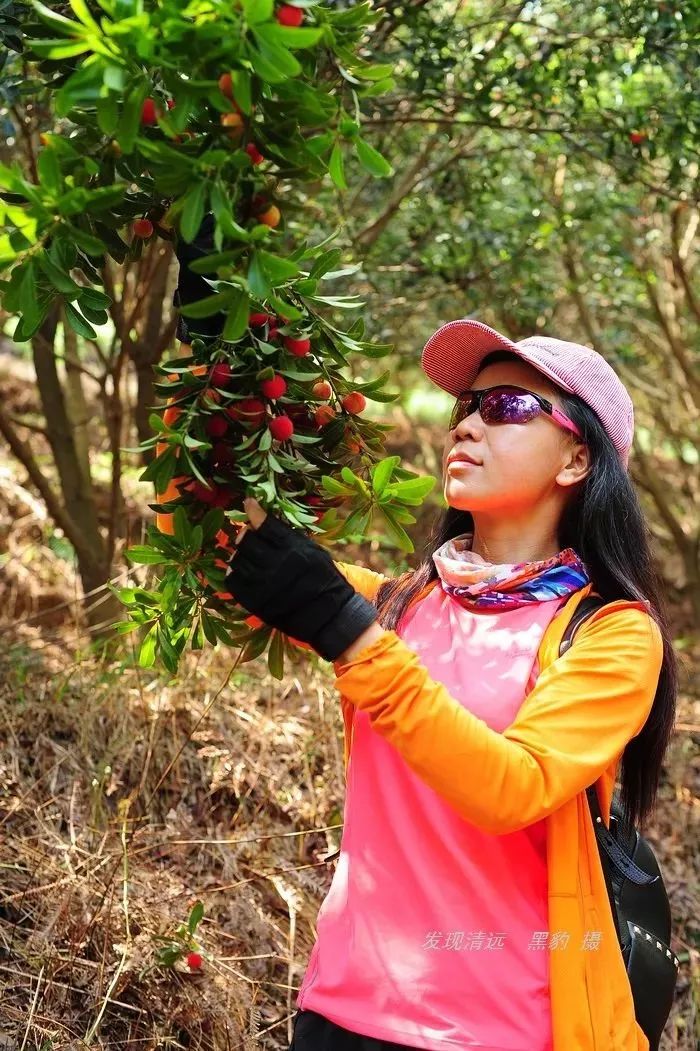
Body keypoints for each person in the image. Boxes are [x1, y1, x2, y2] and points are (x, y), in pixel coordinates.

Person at [170, 239, 677, 1049]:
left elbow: (514, 785)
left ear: (577, 457)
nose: (469, 425)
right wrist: (215, 363)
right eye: (466, 408)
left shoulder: (612, 633)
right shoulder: (398, 603)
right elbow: (224, 537)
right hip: (339, 1012)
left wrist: (348, 631)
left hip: (502, 1029)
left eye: (507, 408)